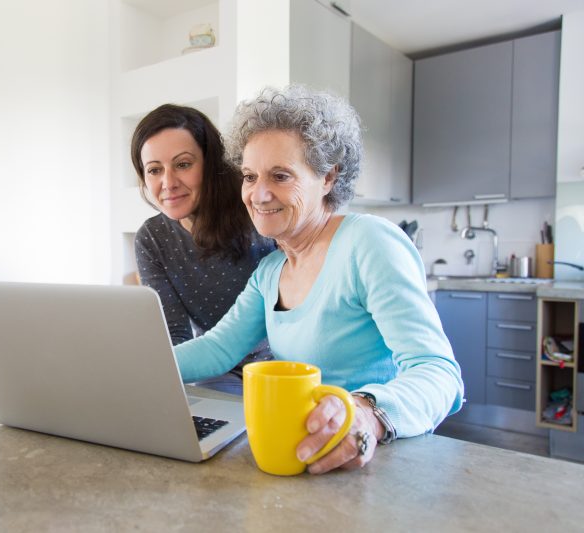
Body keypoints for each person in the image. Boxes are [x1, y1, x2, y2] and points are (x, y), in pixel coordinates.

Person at [174, 85, 464, 474]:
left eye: (280, 175)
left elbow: (438, 371)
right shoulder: (271, 271)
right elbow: (216, 349)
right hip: (299, 458)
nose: (258, 194)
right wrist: (134, 363)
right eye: (249, 176)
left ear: (328, 177)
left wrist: (367, 415)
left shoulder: (368, 242)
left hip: (376, 461)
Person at [131, 104, 277, 394]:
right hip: (215, 370)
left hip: (281, 366)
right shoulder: (152, 239)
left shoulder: (256, 209)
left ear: (211, 164)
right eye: (154, 170)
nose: (168, 183)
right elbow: (175, 336)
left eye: (183, 164)